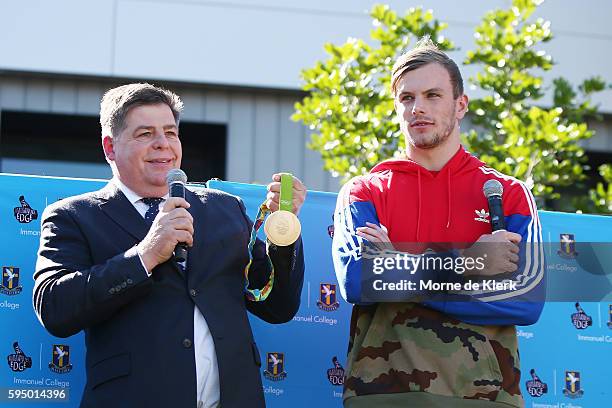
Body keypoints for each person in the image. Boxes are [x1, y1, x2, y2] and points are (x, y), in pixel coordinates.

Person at [33, 83, 306, 408]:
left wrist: (282, 232)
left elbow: (278, 306)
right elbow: (54, 307)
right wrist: (145, 255)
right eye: (145, 134)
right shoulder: (73, 216)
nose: (163, 144)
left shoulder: (225, 209)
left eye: (170, 133)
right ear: (110, 147)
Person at [332, 38, 544, 408]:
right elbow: (359, 280)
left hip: (485, 397)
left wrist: (398, 266)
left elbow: (525, 300)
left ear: (461, 105)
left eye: (433, 95)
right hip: (382, 395)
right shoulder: (364, 191)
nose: (418, 108)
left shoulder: (508, 193)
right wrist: (469, 263)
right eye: (407, 98)